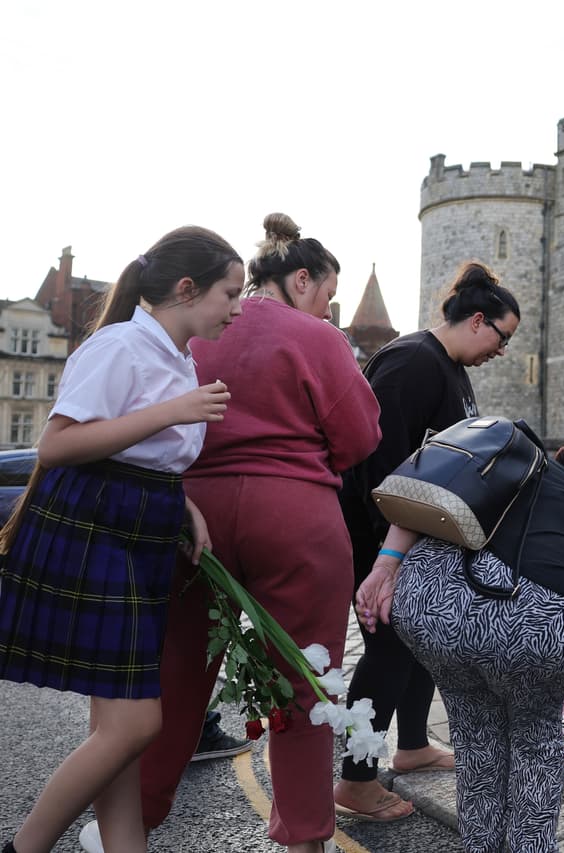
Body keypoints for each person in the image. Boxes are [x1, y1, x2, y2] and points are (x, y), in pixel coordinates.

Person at [132, 213, 381, 853]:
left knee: (177, 676)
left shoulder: (192, 331)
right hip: (296, 514)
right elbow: (360, 439)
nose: (328, 309)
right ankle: (304, 839)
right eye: (327, 294)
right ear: (301, 280)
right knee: (305, 681)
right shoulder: (318, 338)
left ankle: (131, 823)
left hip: (193, 511)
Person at [0, 226, 244, 853]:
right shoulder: (120, 346)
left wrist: (183, 504)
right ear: (187, 289)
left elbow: (145, 455)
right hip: (98, 526)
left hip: (144, 529)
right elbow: (57, 445)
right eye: (230, 294)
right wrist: (173, 411)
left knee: (119, 728)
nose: (237, 309)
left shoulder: (178, 357)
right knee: (133, 725)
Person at [357, 432, 564, 852]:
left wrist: (385, 566)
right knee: (534, 740)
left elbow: (425, 493)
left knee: (476, 739)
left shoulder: (509, 466)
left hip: (433, 609)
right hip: (534, 629)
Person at [334, 260, 519, 821]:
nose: (502, 351)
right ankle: (356, 780)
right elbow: (378, 461)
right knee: (388, 650)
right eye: (503, 337)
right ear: (478, 320)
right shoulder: (413, 360)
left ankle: (412, 746)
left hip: (418, 536)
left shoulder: (450, 367)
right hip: (381, 537)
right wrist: (389, 554)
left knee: (420, 642)